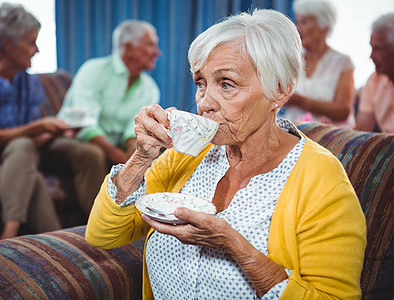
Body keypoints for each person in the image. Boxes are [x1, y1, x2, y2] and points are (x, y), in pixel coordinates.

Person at [86, 9, 366, 299]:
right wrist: (141, 158)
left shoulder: (321, 180)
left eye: (226, 84)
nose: (205, 103)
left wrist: (234, 246)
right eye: (200, 83)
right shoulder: (186, 156)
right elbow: (102, 235)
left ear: (280, 90)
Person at [0, 3, 105, 239]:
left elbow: (36, 139)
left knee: (70, 151)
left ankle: (99, 224)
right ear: (8, 44)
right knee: (32, 177)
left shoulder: (30, 83)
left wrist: (55, 131)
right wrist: (40, 126)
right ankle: (59, 243)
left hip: (25, 153)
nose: (37, 50)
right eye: (31, 42)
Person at [57, 20, 161, 167]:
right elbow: (82, 120)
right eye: (150, 45)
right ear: (128, 48)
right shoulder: (93, 70)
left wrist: (133, 149)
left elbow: (134, 127)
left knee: (158, 152)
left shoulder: (150, 87)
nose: (157, 52)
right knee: (93, 154)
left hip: (116, 145)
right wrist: (116, 154)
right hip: (73, 138)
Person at [279, 0, 356, 128]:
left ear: (324, 26)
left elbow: (343, 111)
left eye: (304, 22)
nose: (298, 28)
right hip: (294, 131)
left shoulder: (343, 63)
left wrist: (301, 101)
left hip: (330, 136)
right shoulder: (291, 60)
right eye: (298, 21)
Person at [355, 13, 394, 133]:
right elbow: (360, 133)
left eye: (377, 48)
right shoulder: (373, 82)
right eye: (371, 48)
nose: (371, 56)